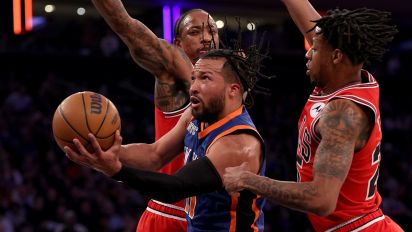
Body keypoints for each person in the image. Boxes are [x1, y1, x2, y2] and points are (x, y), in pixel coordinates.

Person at [223, 1, 403, 231]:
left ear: (336, 56)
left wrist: (250, 180)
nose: (307, 52)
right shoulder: (342, 73)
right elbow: (318, 30)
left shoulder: (342, 114)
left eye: (314, 49)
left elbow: (321, 200)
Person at [65, 49, 267, 231]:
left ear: (233, 89)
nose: (193, 87)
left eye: (205, 78)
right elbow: (155, 154)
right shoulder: (194, 115)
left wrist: (115, 170)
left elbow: (174, 187)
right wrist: (106, 149)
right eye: (194, 78)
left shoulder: (238, 145)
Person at [89, 0, 219, 230]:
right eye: (195, 32)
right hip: (171, 216)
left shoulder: (227, 84)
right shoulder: (174, 65)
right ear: (178, 43)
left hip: (213, 218)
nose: (207, 38)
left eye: (212, 31)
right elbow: (126, 26)